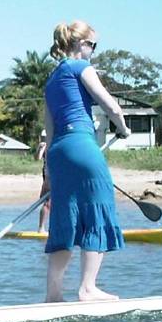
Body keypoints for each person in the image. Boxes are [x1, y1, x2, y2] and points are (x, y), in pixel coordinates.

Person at [41, 20, 129, 303]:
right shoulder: (81, 67)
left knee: (64, 218)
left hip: (58, 154)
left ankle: (53, 294)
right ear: (80, 44)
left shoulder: (51, 79)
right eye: (93, 44)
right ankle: (88, 289)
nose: (93, 49)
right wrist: (123, 127)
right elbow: (109, 104)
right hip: (81, 144)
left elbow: (50, 131)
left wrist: (49, 172)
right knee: (97, 209)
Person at [35, 130, 50, 232]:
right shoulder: (44, 146)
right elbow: (38, 158)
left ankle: (52, 228)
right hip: (49, 175)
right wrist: (40, 149)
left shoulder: (54, 143)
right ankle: (41, 228)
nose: (44, 139)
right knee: (47, 202)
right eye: (42, 137)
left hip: (53, 174)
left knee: (52, 203)